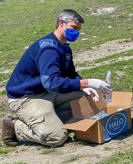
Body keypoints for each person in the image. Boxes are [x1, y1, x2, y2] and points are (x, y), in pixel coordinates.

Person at [2, 9, 111, 147]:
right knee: (57, 136)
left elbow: (71, 75)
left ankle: (51, 118)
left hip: (48, 91)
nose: (77, 32)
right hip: (27, 97)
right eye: (74, 28)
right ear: (61, 23)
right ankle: (14, 127)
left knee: (87, 101)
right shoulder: (49, 49)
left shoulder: (64, 48)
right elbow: (51, 82)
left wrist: (86, 87)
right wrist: (87, 82)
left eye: (78, 29)